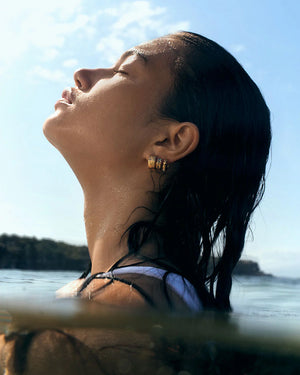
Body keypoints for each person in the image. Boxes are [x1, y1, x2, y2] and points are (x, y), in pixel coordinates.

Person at [43, 30, 271, 313]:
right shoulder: (139, 295)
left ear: (169, 141)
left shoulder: (125, 306)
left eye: (123, 71)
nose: (82, 74)